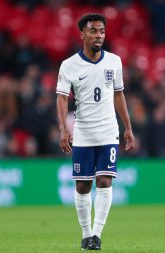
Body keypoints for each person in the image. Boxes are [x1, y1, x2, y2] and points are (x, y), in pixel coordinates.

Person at [56, 13, 135, 250]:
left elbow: (118, 95)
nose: (98, 35)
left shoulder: (114, 61)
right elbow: (61, 98)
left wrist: (128, 128)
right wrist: (63, 129)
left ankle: (97, 236)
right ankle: (86, 233)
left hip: (108, 130)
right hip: (83, 131)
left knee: (104, 180)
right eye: (93, 31)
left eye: (101, 31)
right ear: (82, 34)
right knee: (83, 185)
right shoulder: (69, 65)